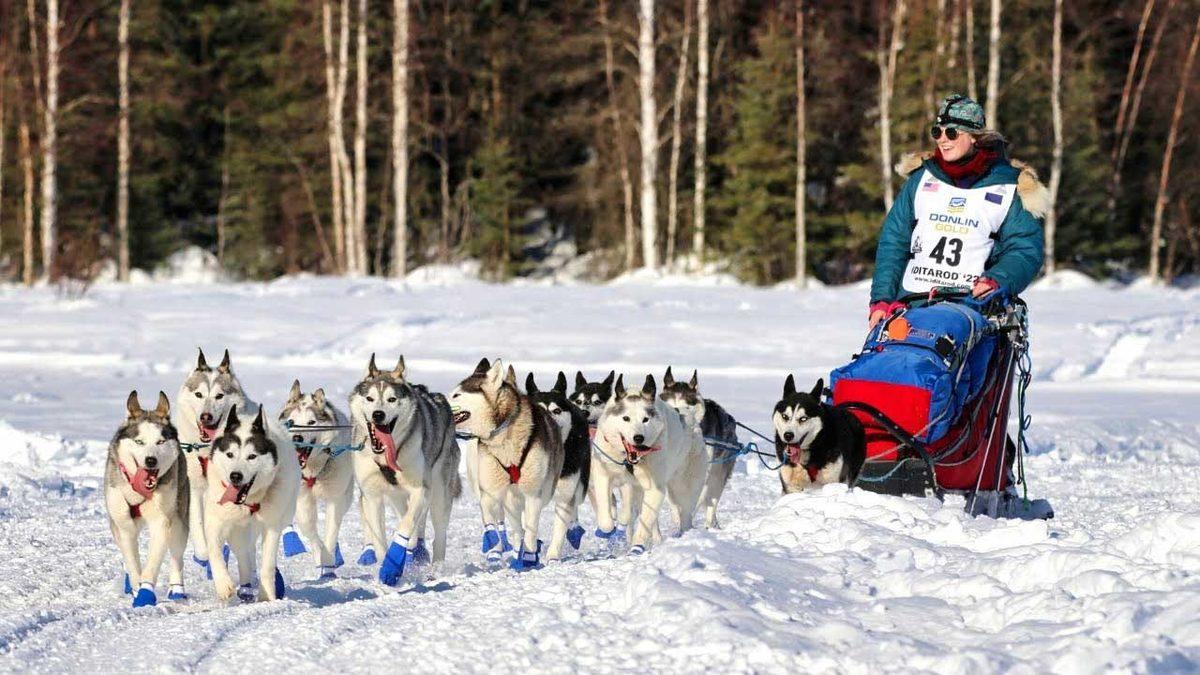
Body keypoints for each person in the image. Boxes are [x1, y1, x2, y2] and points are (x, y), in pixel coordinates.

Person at [868, 94, 1049, 327]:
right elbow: (894, 241)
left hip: (972, 309)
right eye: (937, 132)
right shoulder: (922, 178)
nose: (943, 140)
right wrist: (882, 300)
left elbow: (1025, 249)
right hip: (911, 305)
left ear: (974, 136)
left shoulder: (1010, 187)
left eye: (952, 133)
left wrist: (997, 280)